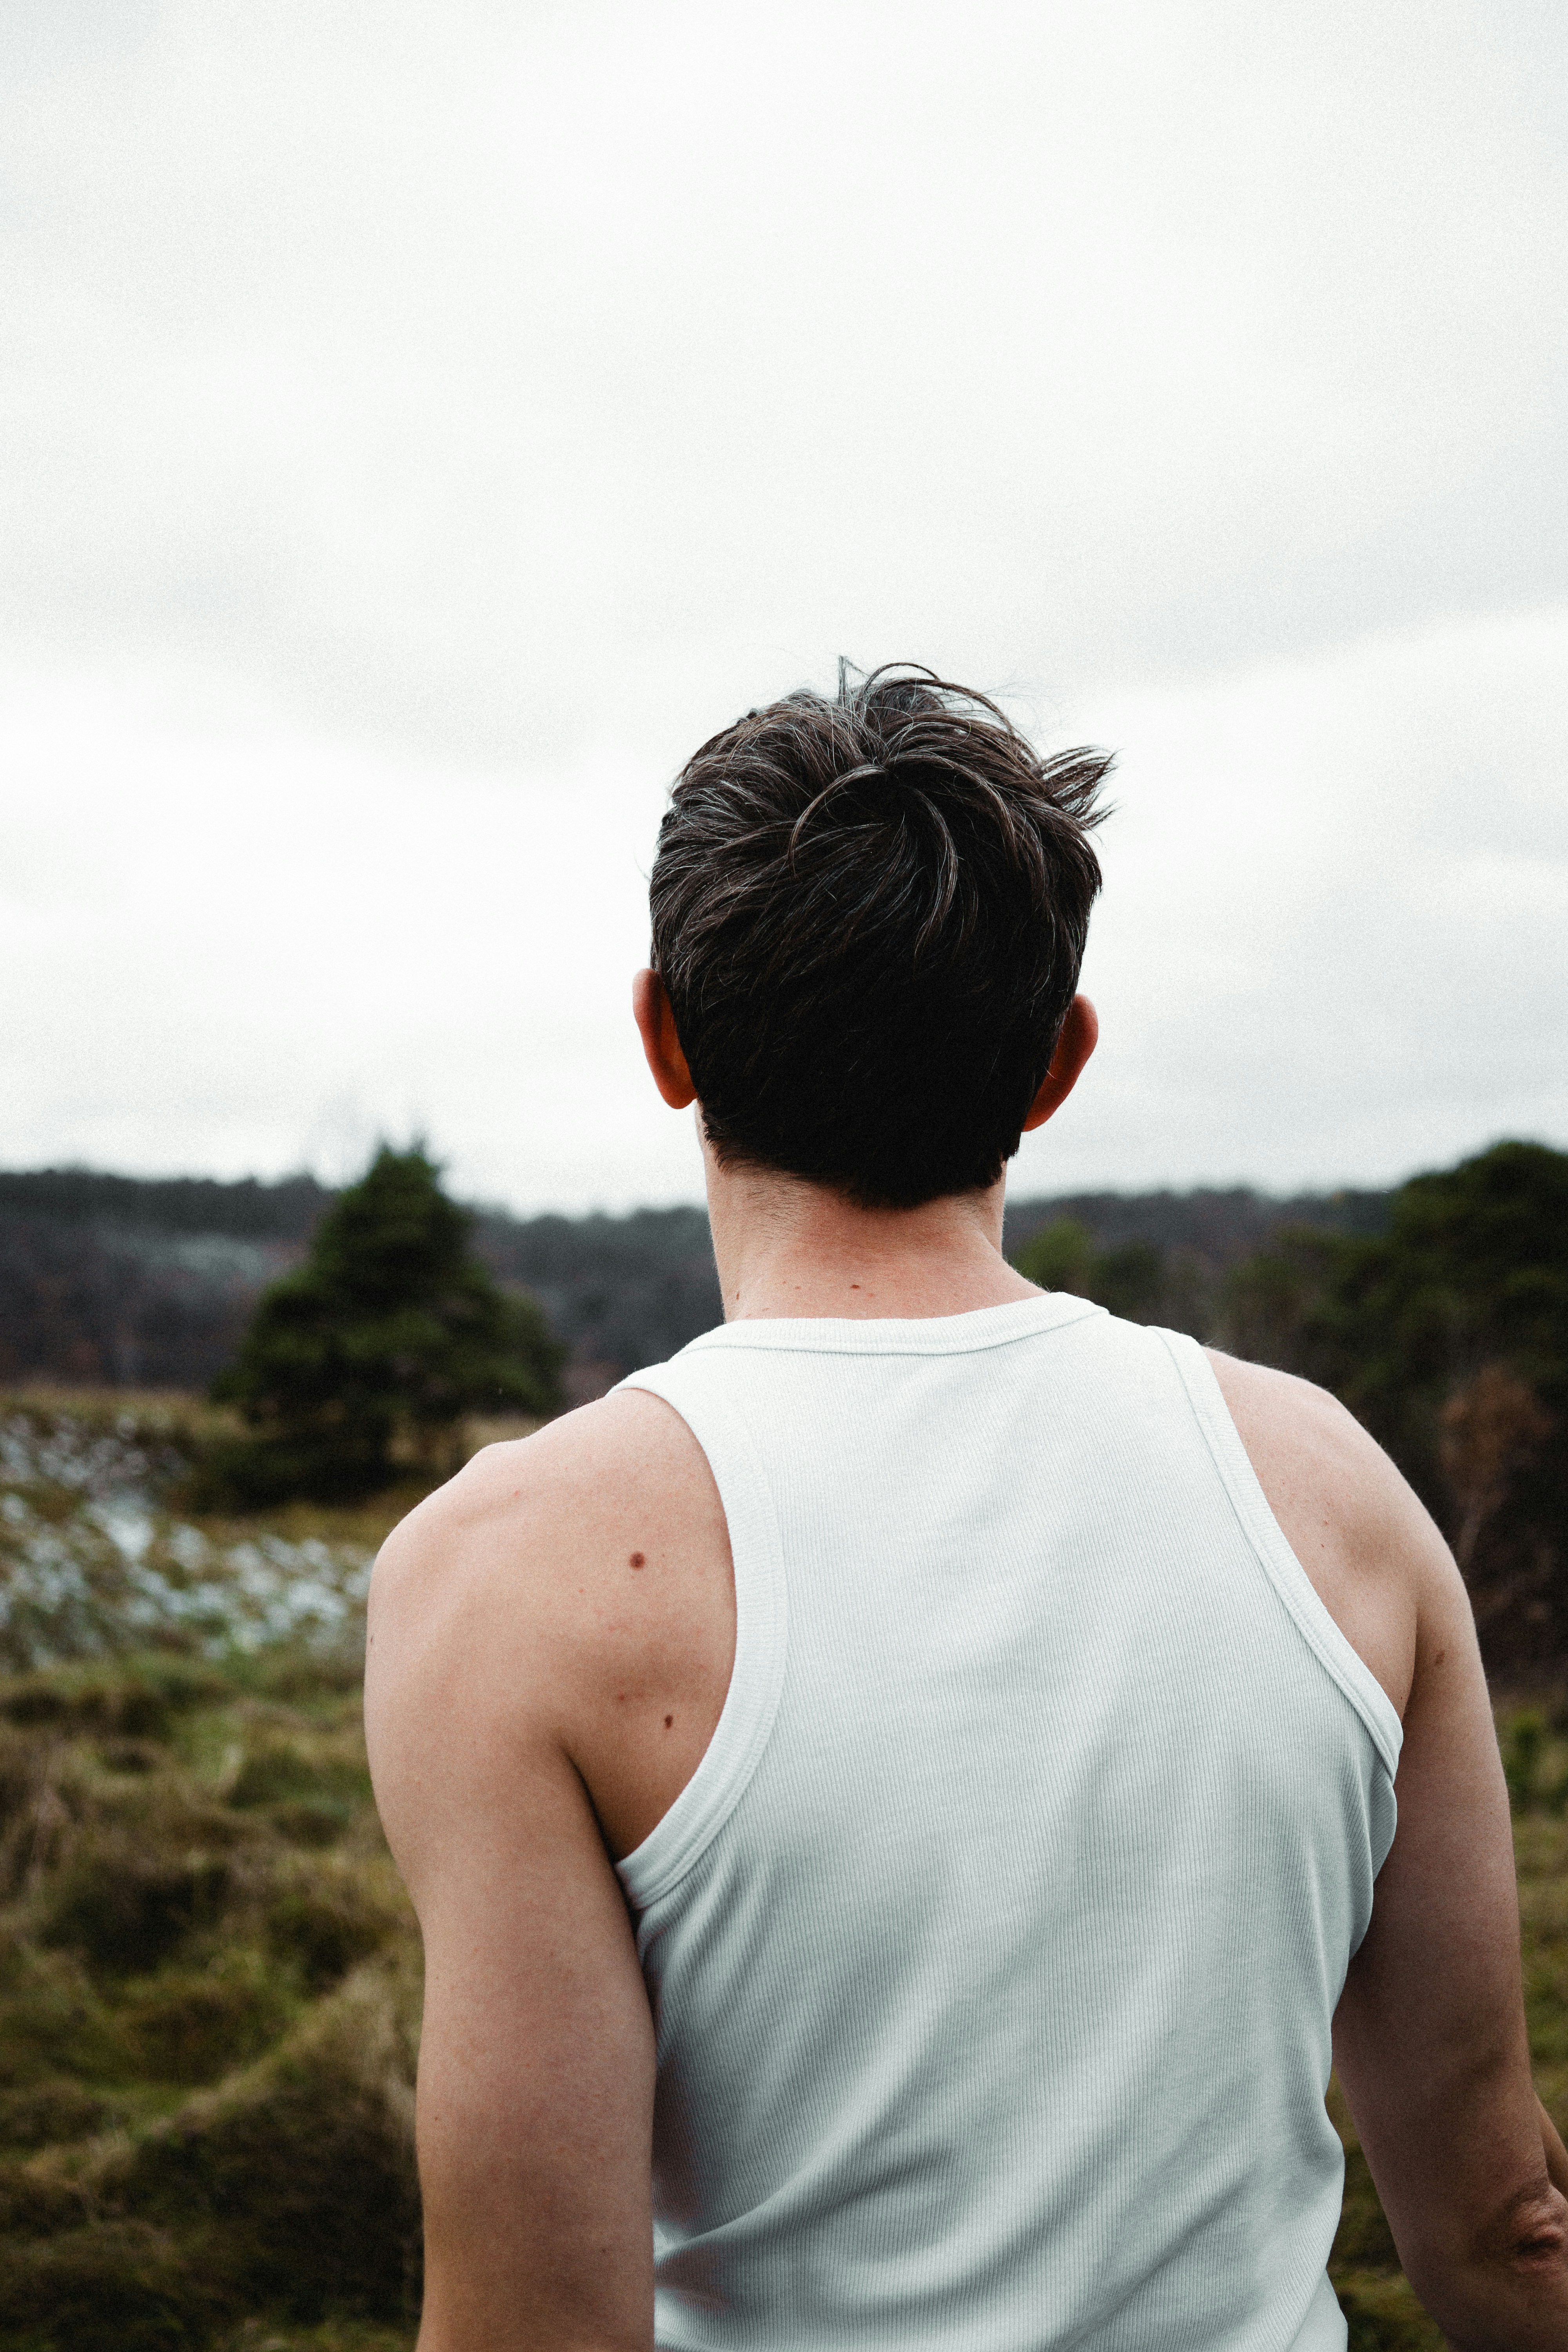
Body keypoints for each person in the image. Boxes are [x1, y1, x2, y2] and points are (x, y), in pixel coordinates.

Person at [365, 666, 1568, 2352]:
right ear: (1055, 1064)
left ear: (664, 1038)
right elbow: (1509, 2232)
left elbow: (533, 2331)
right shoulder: (1335, 1493)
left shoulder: (506, 1577)